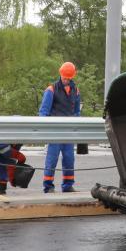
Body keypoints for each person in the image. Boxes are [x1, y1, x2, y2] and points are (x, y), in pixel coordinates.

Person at [39, 61, 82, 193]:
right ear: (60, 74)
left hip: (69, 132)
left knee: (69, 159)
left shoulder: (76, 90)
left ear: (72, 76)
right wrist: (45, 130)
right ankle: (48, 186)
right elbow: (43, 112)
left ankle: (68, 185)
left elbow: (76, 112)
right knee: (52, 159)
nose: (66, 79)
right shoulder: (51, 90)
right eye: (64, 77)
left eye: (68, 78)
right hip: (55, 132)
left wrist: (77, 127)